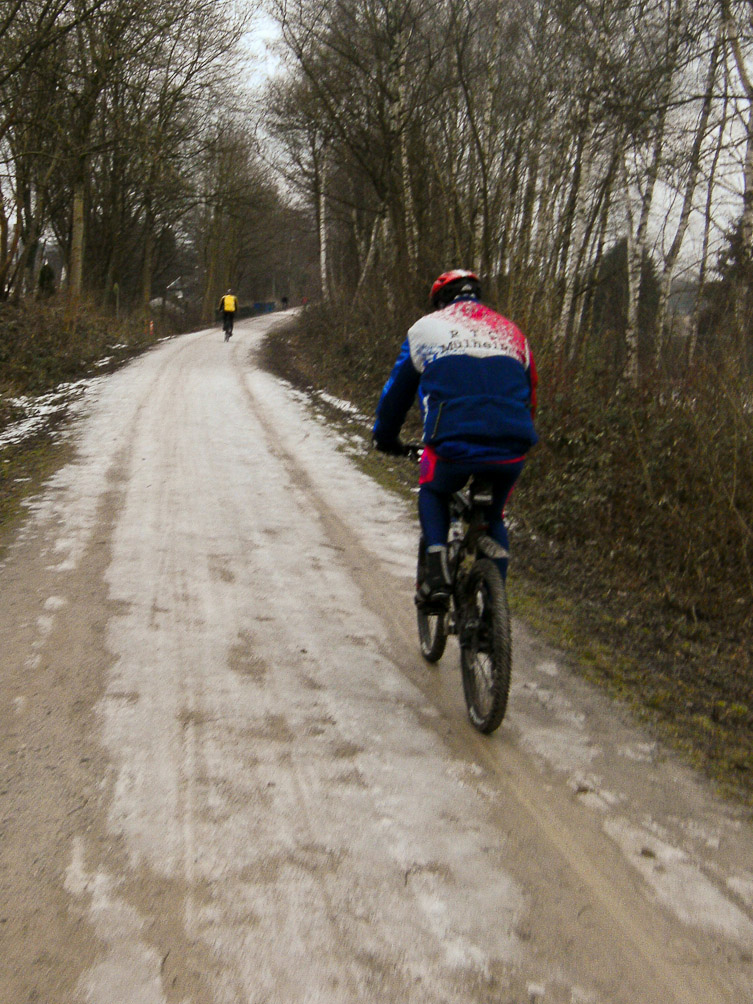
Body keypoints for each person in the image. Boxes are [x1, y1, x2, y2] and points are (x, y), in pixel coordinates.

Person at [373, 269, 538, 608]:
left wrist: (385, 437)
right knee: (493, 517)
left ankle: (436, 573)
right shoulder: (513, 332)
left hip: (452, 442)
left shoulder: (425, 329)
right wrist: (516, 434)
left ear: (440, 301)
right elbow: (531, 396)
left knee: (434, 490)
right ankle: (493, 608)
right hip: (512, 441)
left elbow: (396, 396)